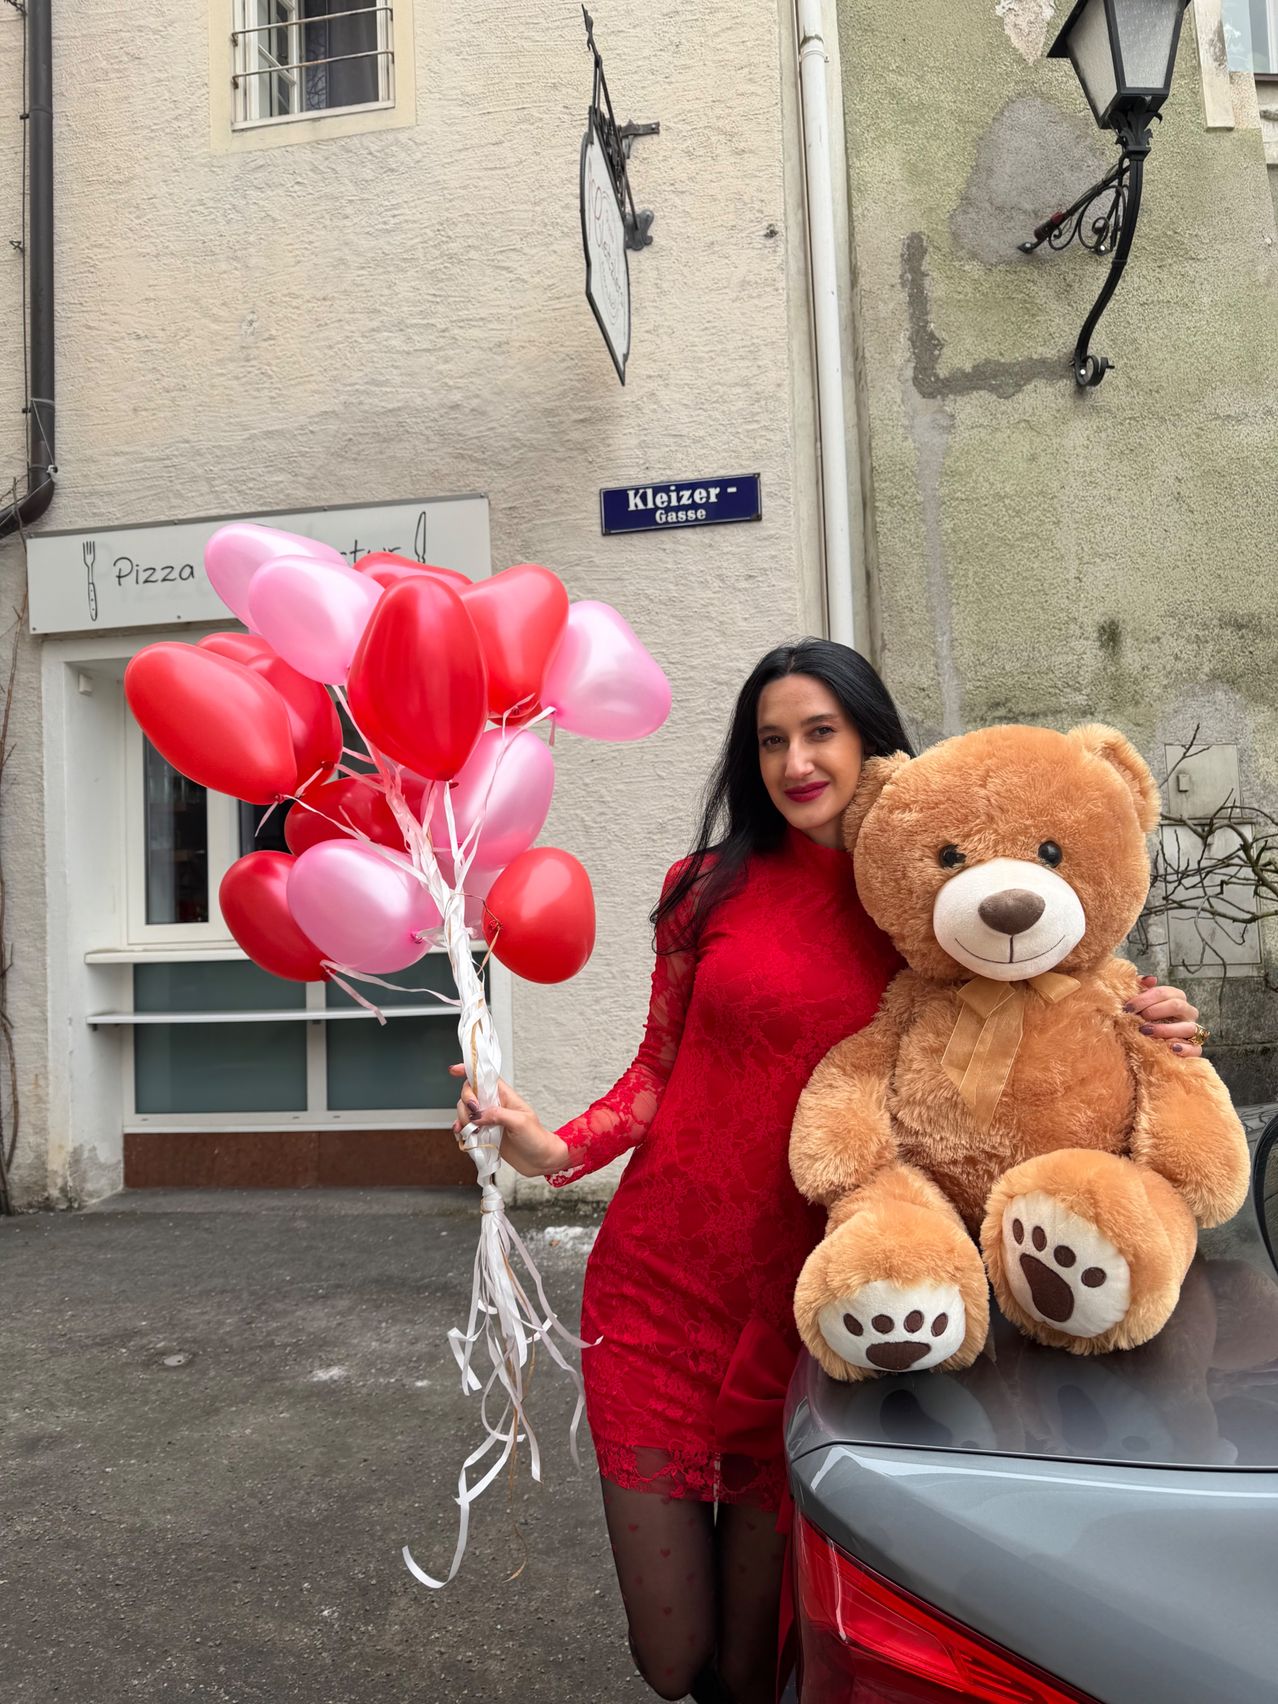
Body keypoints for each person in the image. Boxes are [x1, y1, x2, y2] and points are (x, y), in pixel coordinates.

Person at [451, 641, 1202, 1704]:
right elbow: (657, 1070)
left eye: (819, 732)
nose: (795, 761)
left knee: (758, 1666)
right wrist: (555, 1149)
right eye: (770, 740)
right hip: (658, 1290)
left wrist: (1153, 1019)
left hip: (809, 1306)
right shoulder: (702, 888)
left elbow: (1052, 989)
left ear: (869, 741)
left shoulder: (918, 894)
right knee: (671, 1663)